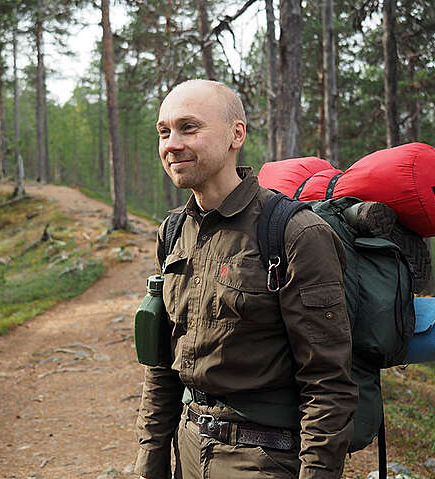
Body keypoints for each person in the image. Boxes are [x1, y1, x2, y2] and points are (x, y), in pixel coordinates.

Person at [135, 79, 357, 479]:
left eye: (189, 128)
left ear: (237, 134)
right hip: (187, 448)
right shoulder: (173, 232)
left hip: (262, 459)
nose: (171, 144)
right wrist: (151, 460)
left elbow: (328, 384)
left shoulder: (294, 233)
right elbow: (161, 364)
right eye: (164, 132)